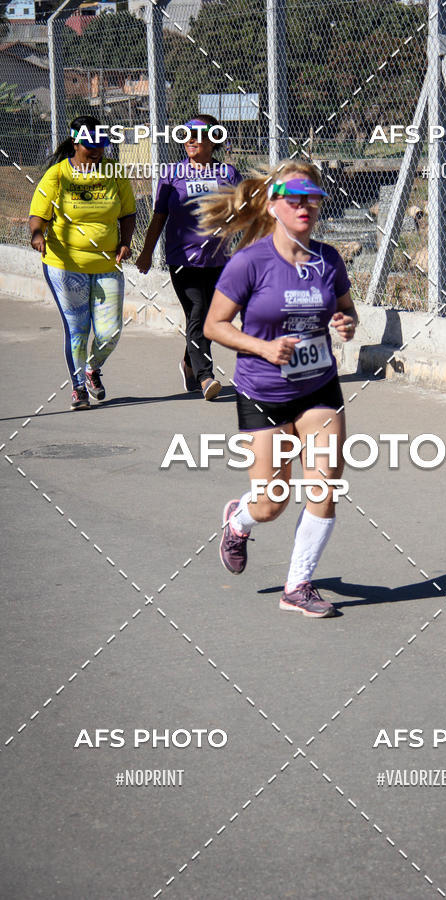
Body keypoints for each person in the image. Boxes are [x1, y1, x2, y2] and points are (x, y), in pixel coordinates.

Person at [203, 161, 358, 618]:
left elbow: (346, 310)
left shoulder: (328, 260)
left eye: (312, 197)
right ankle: (239, 521)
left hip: (318, 388)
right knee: (272, 503)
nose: (304, 206)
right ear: (273, 206)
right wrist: (263, 348)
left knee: (326, 485)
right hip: (263, 392)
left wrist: (344, 323)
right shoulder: (249, 262)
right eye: (294, 198)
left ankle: (298, 586)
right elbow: (214, 326)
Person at [29, 115, 136, 410]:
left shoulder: (114, 170)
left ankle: (92, 369)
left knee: (109, 331)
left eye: (101, 144)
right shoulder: (57, 174)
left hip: (106, 264)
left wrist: (125, 242)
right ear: (76, 142)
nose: (97, 150)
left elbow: (128, 213)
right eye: (90, 145)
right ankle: (78, 388)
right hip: (65, 264)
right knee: (78, 328)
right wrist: (38, 235)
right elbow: (38, 214)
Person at [136, 115, 242, 400]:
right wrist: (147, 252)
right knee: (198, 309)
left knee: (208, 314)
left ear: (213, 140)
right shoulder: (172, 174)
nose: (191, 140)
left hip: (219, 259)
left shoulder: (228, 174)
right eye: (186, 135)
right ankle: (206, 376)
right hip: (182, 258)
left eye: (198, 135)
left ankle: (188, 363)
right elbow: (159, 217)